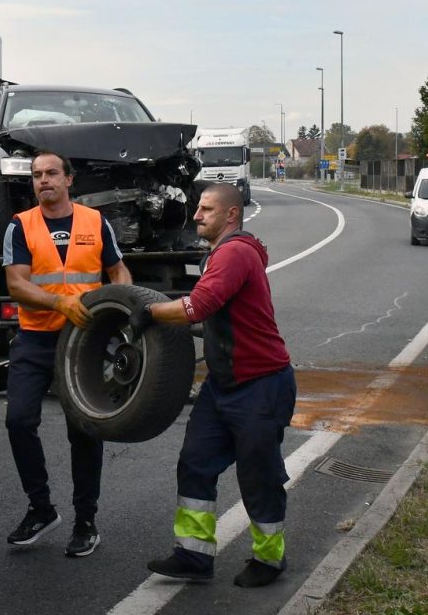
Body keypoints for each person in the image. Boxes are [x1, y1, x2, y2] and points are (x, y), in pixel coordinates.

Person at [136, 182, 296, 588]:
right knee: (195, 462)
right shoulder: (221, 254)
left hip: (261, 385)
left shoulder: (235, 253)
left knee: (259, 475)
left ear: (231, 215)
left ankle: (270, 559)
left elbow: (198, 306)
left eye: (206, 209)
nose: (196, 215)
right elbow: (215, 316)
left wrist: (149, 312)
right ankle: (193, 555)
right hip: (223, 384)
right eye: (198, 208)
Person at [2, 150, 132, 558]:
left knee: (85, 431)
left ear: (69, 180)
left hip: (85, 342)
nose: (43, 180)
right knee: (19, 420)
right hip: (36, 339)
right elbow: (17, 285)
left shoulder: (95, 222)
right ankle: (41, 509)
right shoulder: (20, 225)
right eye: (37, 175)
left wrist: (121, 305)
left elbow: (118, 270)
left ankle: (85, 521)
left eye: (51, 173)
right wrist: (58, 303)